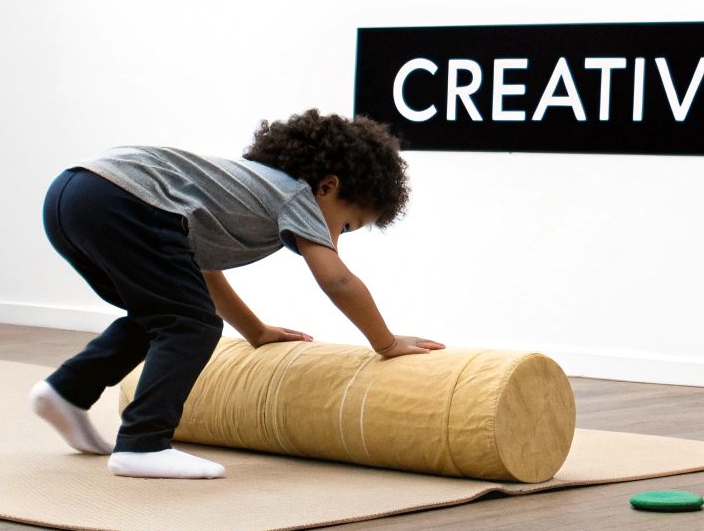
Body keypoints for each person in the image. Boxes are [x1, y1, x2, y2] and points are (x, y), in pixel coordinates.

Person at [29, 109, 443, 479]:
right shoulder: (298, 196)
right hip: (121, 199)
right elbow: (336, 280)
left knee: (160, 316)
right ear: (328, 187)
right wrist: (385, 343)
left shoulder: (245, 189)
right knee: (189, 324)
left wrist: (255, 331)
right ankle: (143, 443)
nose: (338, 237)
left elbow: (203, 275)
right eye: (348, 225)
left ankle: (65, 392)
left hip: (73, 194)